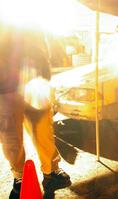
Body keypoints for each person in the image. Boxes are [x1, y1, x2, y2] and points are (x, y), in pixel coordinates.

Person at [0, 25, 71, 198]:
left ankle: (51, 172)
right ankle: (19, 178)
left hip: (36, 81)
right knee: (11, 137)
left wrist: (45, 73)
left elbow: (43, 43)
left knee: (43, 131)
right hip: (5, 85)